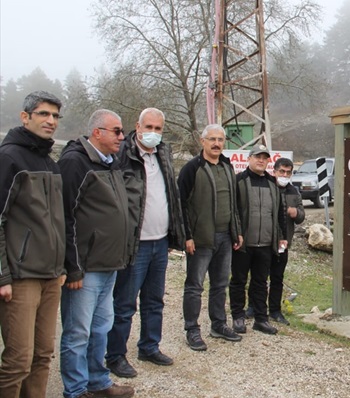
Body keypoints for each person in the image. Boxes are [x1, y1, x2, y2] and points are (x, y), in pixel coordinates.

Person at [58, 109, 134, 398]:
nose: (122, 136)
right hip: (85, 268)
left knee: (101, 328)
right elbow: (65, 217)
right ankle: (75, 390)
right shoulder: (74, 163)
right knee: (78, 333)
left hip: (109, 264)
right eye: (116, 131)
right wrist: (72, 266)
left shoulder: (111, 163)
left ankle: (98, 382)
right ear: (97, 132)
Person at [106, 108, 185, 378]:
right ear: (137, 127)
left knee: (154, 300)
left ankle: (149, 346)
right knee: (125, 303)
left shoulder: (163, 153)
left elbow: (171, 196)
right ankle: (115, 356)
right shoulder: (122, 155)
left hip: (160, 242)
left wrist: (176, 234)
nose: (153, 132)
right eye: (148, 126)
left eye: (158, 128)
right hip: (134, 244)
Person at [0, 91, 67, 398]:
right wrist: (3, 275)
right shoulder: (9, 158)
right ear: (25, 117)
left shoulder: (50, 163)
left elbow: (57, 222)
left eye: (55, 116)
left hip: (51, 275)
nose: (50, 121)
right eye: (43, 114)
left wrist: (63, 266)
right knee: (18, 361)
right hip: (21, 277)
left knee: (43, 355)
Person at [178, 124, 244, 351]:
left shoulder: (227, 166)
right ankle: (192, 330)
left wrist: (237, 232)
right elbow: (181, 205)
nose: (217, 143)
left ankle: (218, 324)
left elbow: (233, 203)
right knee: (195, 286)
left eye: (220, 139)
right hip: (200, 239)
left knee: (220, 284)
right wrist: (186, 236)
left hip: (225, 237)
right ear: (202, 141)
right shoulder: (191, 168)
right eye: (212, 139)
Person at [229, 145, 286, 336]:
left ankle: (261, 319)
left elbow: (279, 213)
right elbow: (234, 211)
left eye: (265, 157)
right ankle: (238, 316)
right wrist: (236, 234)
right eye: (257, 157)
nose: (261, 160)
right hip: (243, 243)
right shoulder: (239, 181)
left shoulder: (273, 183)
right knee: (238, 280)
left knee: (261, 282)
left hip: (266, 243)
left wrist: (281, 237)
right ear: (249, 158)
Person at [267, 157, 305, 325]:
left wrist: (295, 212)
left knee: (277, 277)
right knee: (259, 277)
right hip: (263, 240)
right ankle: (255, 307)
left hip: (283, 243)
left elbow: (302, 216)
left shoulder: (294, 191)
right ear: (274, 171)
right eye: (281, 171)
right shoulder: (267, 186)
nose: (284, 175)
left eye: (288, 172)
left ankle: (275, 310)